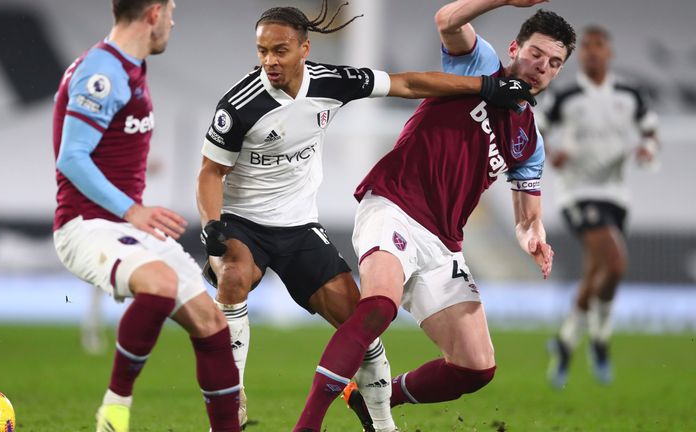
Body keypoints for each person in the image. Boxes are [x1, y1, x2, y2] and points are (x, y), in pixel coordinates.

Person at [197, 1, 534, 430]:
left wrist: (484, 88)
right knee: (233, 277)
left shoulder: (332, 82)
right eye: (262, 51)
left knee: (363, 326)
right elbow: (210, 172)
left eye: (279, 50)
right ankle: (231, 402)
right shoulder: (240, 105)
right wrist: (211, 224)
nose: (269, 61)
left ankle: (380, 422)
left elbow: (409, 83)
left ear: (304, 48)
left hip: (299, 226)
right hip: (244, 221)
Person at [293, 1, 575, 431]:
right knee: (377, 307)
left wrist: (531, 236)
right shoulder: (479, 64)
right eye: (536, 53)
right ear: (515, 47)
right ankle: (307, 425)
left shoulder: (530, 141)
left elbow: (527, 217)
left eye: (554, 63)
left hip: (443, 243)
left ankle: (371, 402)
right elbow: (447, 19)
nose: (542, 66)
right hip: (394, 205)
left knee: (475, 368)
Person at [51, 1, 240, 431]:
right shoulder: (103, 73)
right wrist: (132, 209)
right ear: (153, 13)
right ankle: (114, 411)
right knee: (160, 283)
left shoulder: (129, 67)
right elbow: (71, 157)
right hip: (87, 225)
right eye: (171, 9)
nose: (175, 20)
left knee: (212, 325)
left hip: (124, 227)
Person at [541, 26, 659, 388]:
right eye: (587, 48)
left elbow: (650, 131)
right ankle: (601, 339)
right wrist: (551, 152)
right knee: (616, 263)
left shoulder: (629, 93)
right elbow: (537, 130)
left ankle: (564, 342)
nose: (592, 52)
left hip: (615, 195)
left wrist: (647, 151)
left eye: (598, 46)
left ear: (609, 53)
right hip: (577, 193)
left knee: (596, 274)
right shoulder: (566, 94)